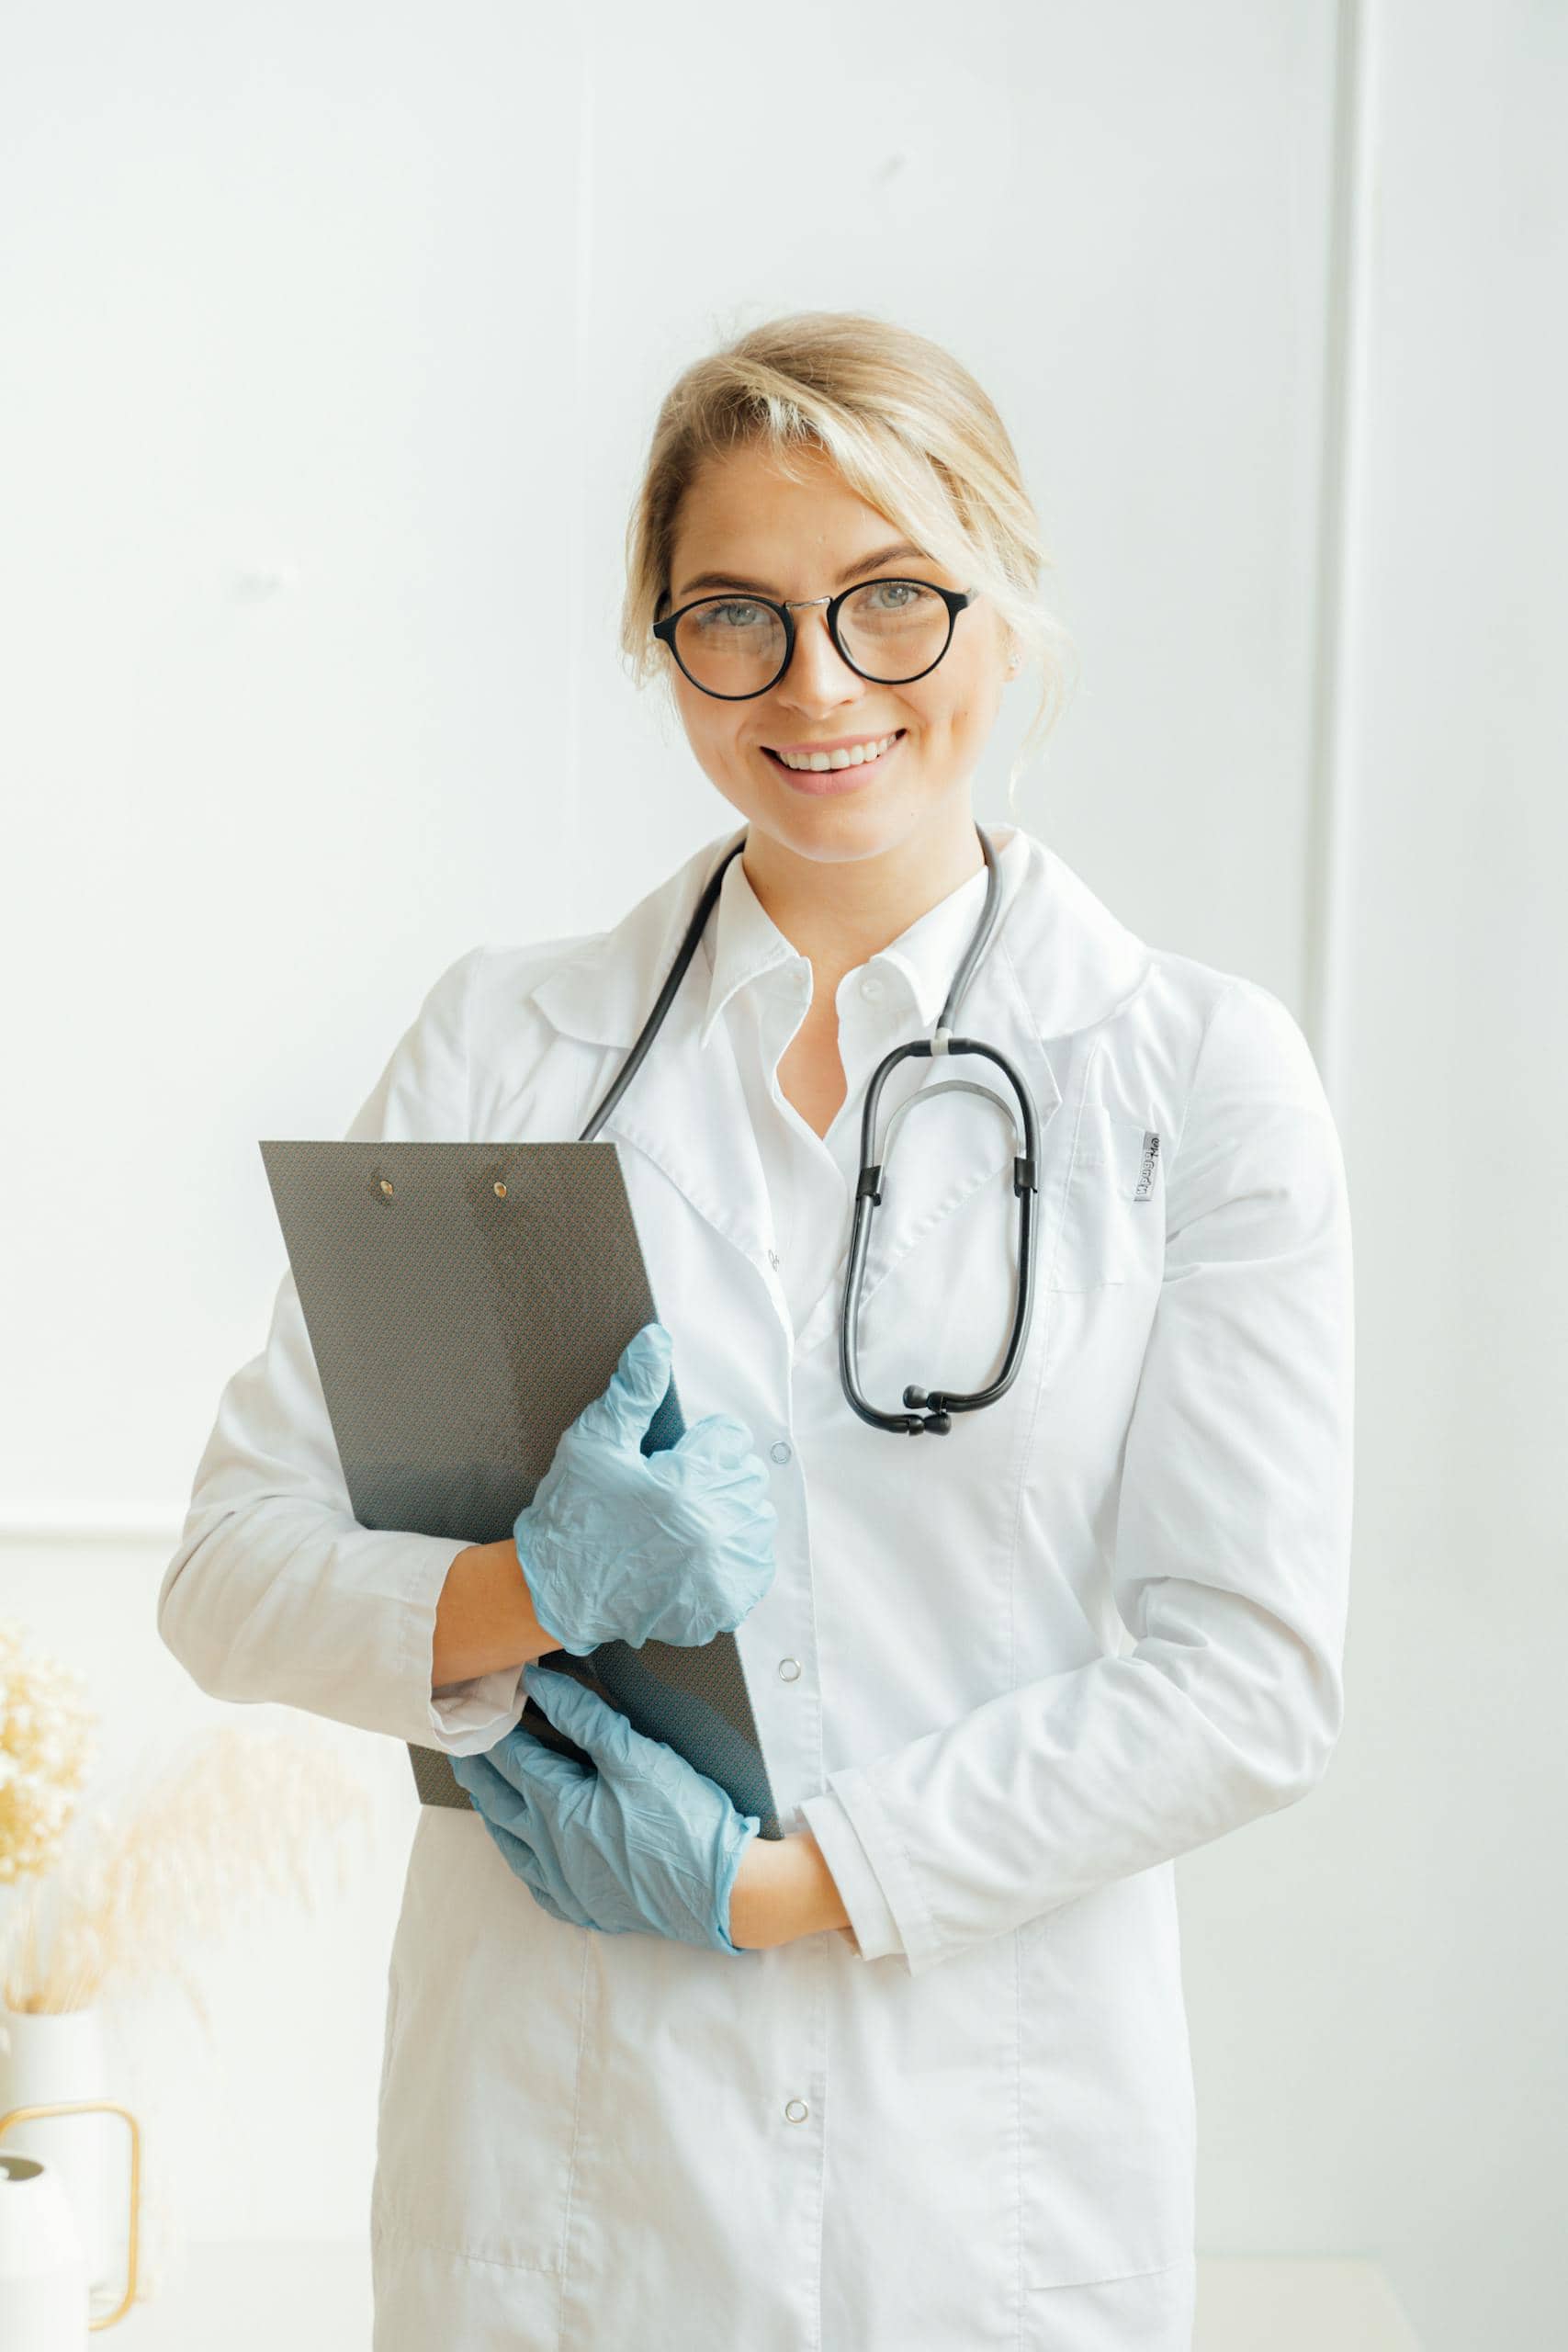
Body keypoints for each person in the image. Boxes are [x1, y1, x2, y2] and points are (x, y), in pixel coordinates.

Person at [157, 310, 1355, 2352]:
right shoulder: (503, 1043)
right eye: (733, 615)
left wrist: (783, 1888)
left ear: (1003, 605)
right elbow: (227, 1574)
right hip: (553, 2159)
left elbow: (1244, 1672)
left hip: (976, 2165)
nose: (816, 685)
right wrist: (517, 1586)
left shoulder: (1186, 1072)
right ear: (660, 641)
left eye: (889, 600)